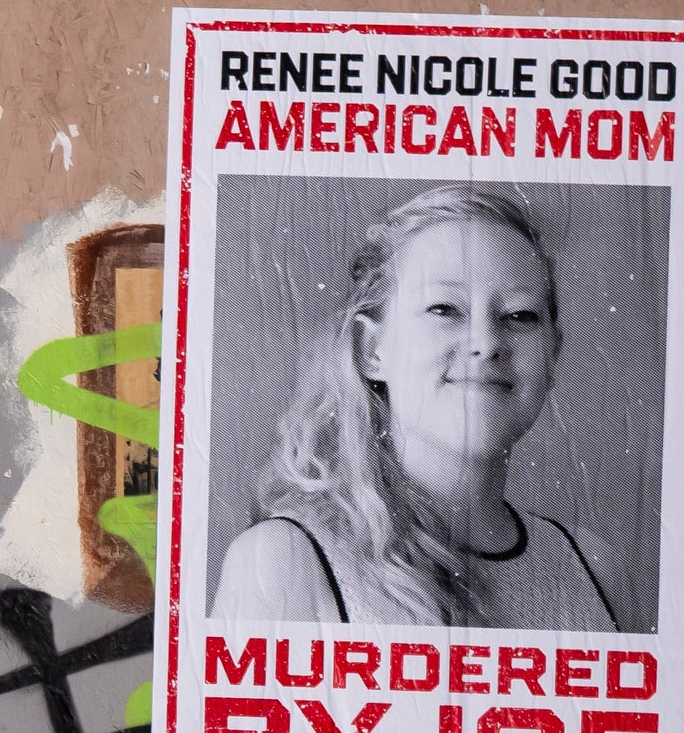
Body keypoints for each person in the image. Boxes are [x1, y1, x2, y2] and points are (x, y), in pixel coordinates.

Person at [213, 183, 621, 631]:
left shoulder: (591, 566)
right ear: (371, 349)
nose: (487, 344)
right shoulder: (286, 561)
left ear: (553, 352)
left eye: (520, 315)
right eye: (444, 309)